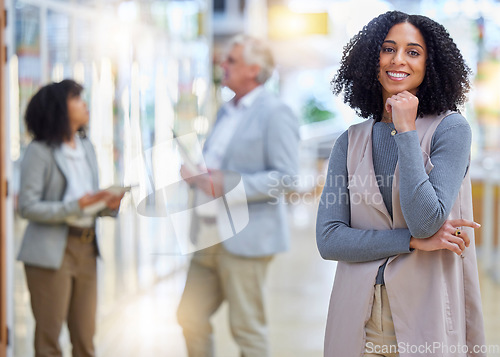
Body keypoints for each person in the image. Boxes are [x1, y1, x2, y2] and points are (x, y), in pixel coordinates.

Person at [316, 11, 485, 357]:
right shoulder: (349, 142)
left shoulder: (451, 130)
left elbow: (427, 220)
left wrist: (406, 132)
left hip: (426, 311)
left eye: (413, 52)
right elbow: (329, 239)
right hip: (357, 316)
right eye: (388, 49)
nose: (398, 60)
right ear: (371, 60)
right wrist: (408, 241)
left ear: (430, 63)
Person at [176, 35, 299, 357]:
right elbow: (217, 166)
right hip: (208, 234)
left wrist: (228, 185)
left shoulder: (276, 112)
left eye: (231, 60)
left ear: (253, 69)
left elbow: (286, 178)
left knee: (246, 329)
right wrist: (197, 176)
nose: (223, 65)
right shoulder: (225, 111)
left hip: (246, 237)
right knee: (189, 315)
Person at [17, 79, 124, 357]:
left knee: (85, 340)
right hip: (52, 252)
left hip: (87, 248)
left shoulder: (86, 148)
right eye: (76, 99)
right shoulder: (39, 151)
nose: (84, 104)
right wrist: (75, 206)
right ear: (58, 108)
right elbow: (27, 207)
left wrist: (107, 204)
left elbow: (89, 204)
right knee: (49, 342)